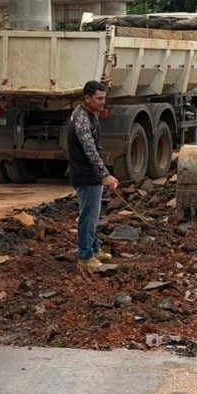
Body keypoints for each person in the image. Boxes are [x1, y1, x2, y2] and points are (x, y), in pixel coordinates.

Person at [68, 80, 119, 273]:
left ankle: (94, 249)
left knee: (93, 214)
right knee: (88, 216)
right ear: (87, 98)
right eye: (98, 98)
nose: (102, 102)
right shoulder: (81, 120)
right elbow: (90, 151)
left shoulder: (91, 115)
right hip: (85, 174)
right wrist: (105, 175)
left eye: (103, 98)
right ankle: (85, 256)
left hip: (90, 173)